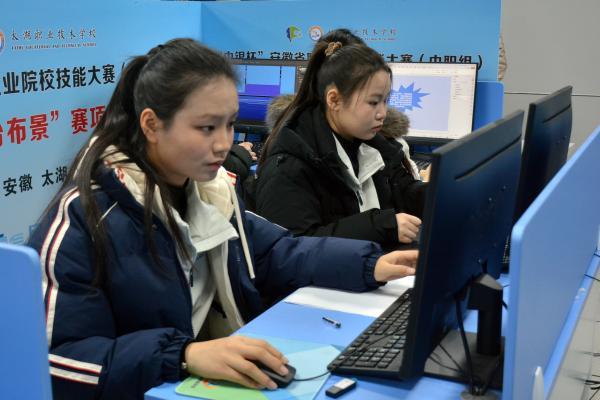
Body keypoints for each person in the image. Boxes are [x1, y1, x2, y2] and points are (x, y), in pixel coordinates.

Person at [27, 38, 419, 400]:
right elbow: (55, 361)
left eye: (230, 124)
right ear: (151, 125)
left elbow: (277, 252)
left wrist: (370, 265)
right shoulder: (84, 218)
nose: (224, 143)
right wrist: (183, 356)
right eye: (206, 128)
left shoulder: (209, 193)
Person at [255, 30, 426, 248]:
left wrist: (440, 194)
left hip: (372, 263)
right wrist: (380, 226)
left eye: (385, 100)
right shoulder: (290, 164)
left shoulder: (374, 143)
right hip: (345, 268)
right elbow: (290, 250)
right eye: (373, 102)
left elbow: (404, 192)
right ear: (334, 100)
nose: (383, 113)